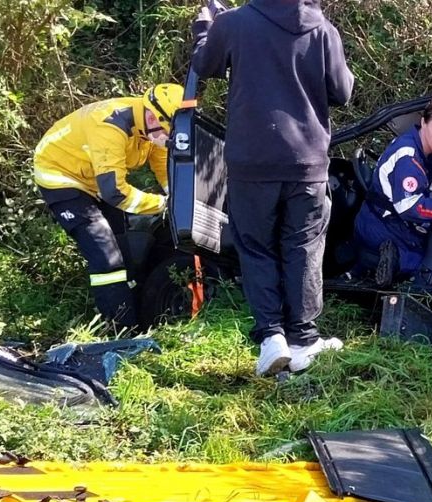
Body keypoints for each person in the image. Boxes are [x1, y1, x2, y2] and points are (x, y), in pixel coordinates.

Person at [191, 0, 354, 376]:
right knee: (304, 247)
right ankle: (304, 338)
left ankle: (272, 337)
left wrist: (204, 26)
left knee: (256, 246)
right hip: (308, 163)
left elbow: (205, 64)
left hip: (253, 162)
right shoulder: (323, 29)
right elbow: (343, 91)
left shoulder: (234, 22)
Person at [33, 84, 187, 328]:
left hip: (95, 178)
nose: (167, 138)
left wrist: (178, 196)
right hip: (61, 176)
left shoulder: (151, 127)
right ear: (151, 116)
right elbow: (115, 193)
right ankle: (119, 331)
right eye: (166, 132)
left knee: (124, 249)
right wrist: (162, 204)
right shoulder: (110, 126)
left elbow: (162, 166)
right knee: (106, 256)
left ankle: (139, 319)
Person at [354, 97, 432, 286]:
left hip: (394, 221)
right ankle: (387, 265)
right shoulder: (408, 157)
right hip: (380, 224)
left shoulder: (428, 153)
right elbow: (412, 208)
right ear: (423, 122)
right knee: (424, 269)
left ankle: (384, 264)